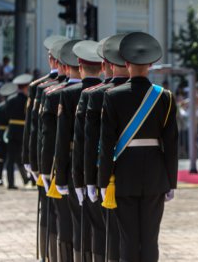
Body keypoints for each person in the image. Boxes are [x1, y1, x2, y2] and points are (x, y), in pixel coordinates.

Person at [98, 32, 178, 262]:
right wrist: (171, 181)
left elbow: (106, 144)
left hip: (124, 174)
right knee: (150, 239)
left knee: (128, 239)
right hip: (155, 175)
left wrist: (104, 180)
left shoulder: (112, 96)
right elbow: (171, 144)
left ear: (125, 63)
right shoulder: (165, 97)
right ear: (151, 64)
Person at [53, 40, 103, 261]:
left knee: (79, 222)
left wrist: (60, 177)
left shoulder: (69, 93)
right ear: (101, 67)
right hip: (104, 164)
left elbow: (62, 139)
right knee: (103, 224)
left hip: (77, 164)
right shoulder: (108, 91)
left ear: (79, 67)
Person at [83, 34, 129, 261]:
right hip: (140, 173)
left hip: (106, 172)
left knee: (102, 231)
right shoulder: (152, 93)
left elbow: (90, 142)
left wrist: (91, 179)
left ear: (105, 65)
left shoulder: (95, 94)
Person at [25, 35, 68, 261]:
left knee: (50, 212)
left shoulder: (43, 88)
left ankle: (50, 255)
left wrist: (32, 161)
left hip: (49, 161)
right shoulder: (43, 88)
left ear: (52, 60)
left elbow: (35, 131)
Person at [4, 75, 34, 189]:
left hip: (12, 132)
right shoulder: (28, 100)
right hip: (24, 131)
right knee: (28, 157)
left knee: (10, 160)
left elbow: (6, 114)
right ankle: (32, 180)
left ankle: (10, 183)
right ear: (26, 87)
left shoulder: (10, 99)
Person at [0, 82, 17, 188]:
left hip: (0, 133)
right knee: (10, 160)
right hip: (10, 133)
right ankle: (10, 182)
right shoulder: (12, 105)